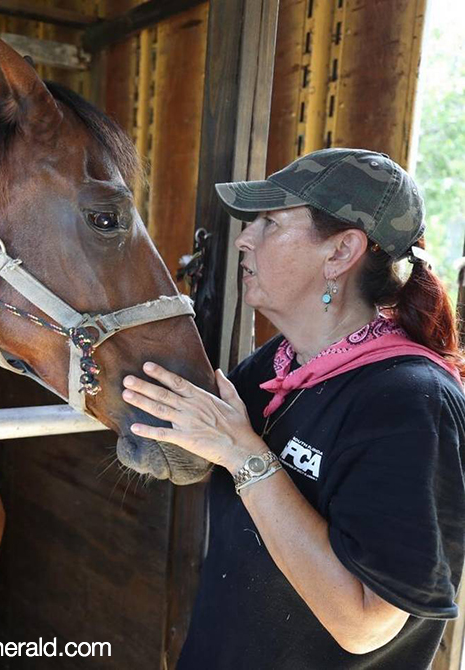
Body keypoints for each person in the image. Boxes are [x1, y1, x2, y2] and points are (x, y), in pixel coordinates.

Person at [121, 148, 465, 668]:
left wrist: (245, 455)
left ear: (340, 252)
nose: (243, 238)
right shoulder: (275, 366)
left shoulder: (412, 402)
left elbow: (363, 625)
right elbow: (193, 452)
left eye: (270, 222)